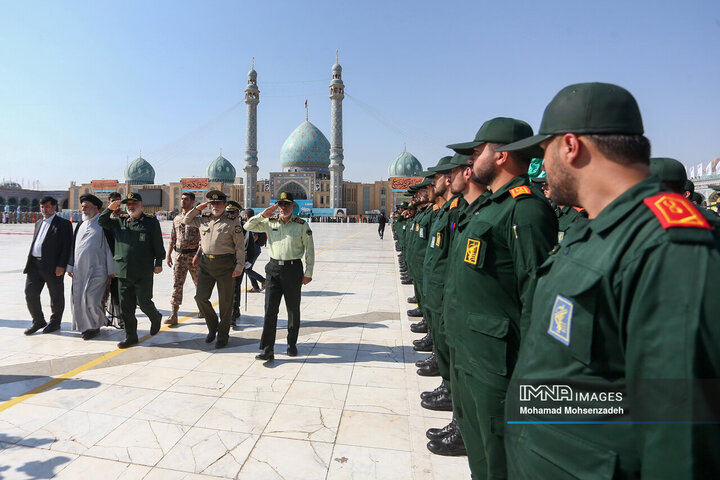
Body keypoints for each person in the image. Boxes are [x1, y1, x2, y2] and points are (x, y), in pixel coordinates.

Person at [499, 82, 720, 478]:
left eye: (542, 153)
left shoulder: (669, 246)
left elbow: (681, 437)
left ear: (570, 146)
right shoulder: (595, 230)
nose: (541, 168)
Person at [444, 117, 558, 478]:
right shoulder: (490, 207)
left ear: (502, 155)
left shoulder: (525, 209)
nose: (471, 159)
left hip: (499, 366)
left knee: (500, 459)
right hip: (471, 354)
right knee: (479, 451)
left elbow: (536, 296)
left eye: (478, 151)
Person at [244, 191, 315, 361]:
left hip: (293, 269)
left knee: (292, 310)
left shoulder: (301, 225)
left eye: (286, 204)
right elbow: (247, 226)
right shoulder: (270, 222)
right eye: (280, 204)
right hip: (274, 269)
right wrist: (263, 214)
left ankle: (291, 344)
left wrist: (308, 272)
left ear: (292, 206)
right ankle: (268, 349)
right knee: (270, 310)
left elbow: (310, 250)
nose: (283, 207)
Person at [98, 192, 165, 348]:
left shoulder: (150, 222)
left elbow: (157, 243)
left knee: (144, 302)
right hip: (123, 270)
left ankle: (155, 317)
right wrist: (110, 208)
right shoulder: (120, 221)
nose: (131, 206)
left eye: (134, 204)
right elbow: (102, 221)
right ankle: (131, 336)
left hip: (143, 270)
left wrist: (159, 262)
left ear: (141, 205)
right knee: (125, 307)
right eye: (128, 204)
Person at [184, 190, 245, 348]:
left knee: (226, 303)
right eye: (212, 203)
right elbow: (186, 220)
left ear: (225, 205)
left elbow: (239, 247)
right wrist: (198, 208)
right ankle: (213, 328)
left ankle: (223, 335)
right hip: (206, 265)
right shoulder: (203, 219)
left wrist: (239, 266)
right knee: (200, 298)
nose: (215, 206)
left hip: (226, 265)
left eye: (218, 203)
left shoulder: (233, 221)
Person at [23, 196, 73, 335]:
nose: (45, 210)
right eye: (42, 207)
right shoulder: (38, 222)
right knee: (30, 292)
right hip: (34, 265)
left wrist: (62, 265)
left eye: (48, 207)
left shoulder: (63, 224)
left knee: (56, 296)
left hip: (53, 267)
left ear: (54, 207)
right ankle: (38, 320)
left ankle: (55, 322)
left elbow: (66, 247)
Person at [67, 194, 114, 340]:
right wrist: (70, 266)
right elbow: (74, 245)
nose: (83, 209)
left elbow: (110, 248)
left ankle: (96, 324)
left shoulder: (103, 225)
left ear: (95, 208)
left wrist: (111, 270)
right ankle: (87, 326)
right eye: (82, 207)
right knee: (79, 299)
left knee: (91, 298)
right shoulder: (81, 224)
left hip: (98, 269)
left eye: (86, 207)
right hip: (80, 270)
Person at [165, 191, 200, 325]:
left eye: (186, 199)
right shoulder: (177, 218)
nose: (183, 201)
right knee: (177, 285)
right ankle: (174, 314)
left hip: (194, 256)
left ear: (192, 202)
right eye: (182, 199)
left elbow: (203, 239)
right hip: (180, 256)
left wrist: (198, 255)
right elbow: (173, 238)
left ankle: (202, 309)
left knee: (199, 285)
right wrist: (168, 255)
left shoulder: (197, 218)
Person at [103, 192, 122, 327]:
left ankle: (120, 318)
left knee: (118, 291)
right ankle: (101, 317)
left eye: (118, 201)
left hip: (120, 259)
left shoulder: (126, 217)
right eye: (113, 201)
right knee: (103, 290)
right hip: (106, 258)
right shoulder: (104, 218)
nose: (115, 203)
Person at [242, 209, 266, 293]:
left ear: (246, 216)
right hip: (255, 249)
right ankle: (255, 287)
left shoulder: (252, 224)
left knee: (245, 269)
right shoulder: (252, 222)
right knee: (248, 268)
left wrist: (249, 245)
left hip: (253, 250)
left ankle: (264, 281)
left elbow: (255, 236)